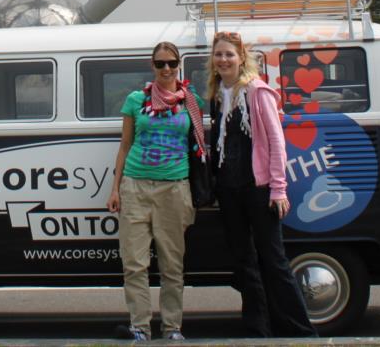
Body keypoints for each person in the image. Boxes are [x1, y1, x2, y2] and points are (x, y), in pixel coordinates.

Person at [208, 30, 317, 338]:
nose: (224, 59)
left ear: (242, 58)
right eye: (219, 54)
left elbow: (276, 141)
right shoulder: (217, 95)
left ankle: (301, 332)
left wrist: (278, 188)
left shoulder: (258, 91)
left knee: (274, 260)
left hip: (259, 188)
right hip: (229, 189)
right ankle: (258, 330)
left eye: (230, 54)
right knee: (244, 262)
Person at [107, 41, 203, 343]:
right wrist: (115, 188)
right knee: (134, 263)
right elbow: (125, 145)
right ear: (152, 65)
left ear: (179, 66)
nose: (166, 69)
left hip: (174, 187)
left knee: (172, 264)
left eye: (172, 63)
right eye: (160, 63)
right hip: (136, 186)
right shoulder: (136, 100)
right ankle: (140, 327)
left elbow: (198, 143)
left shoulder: (190, 100)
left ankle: (173, 327)